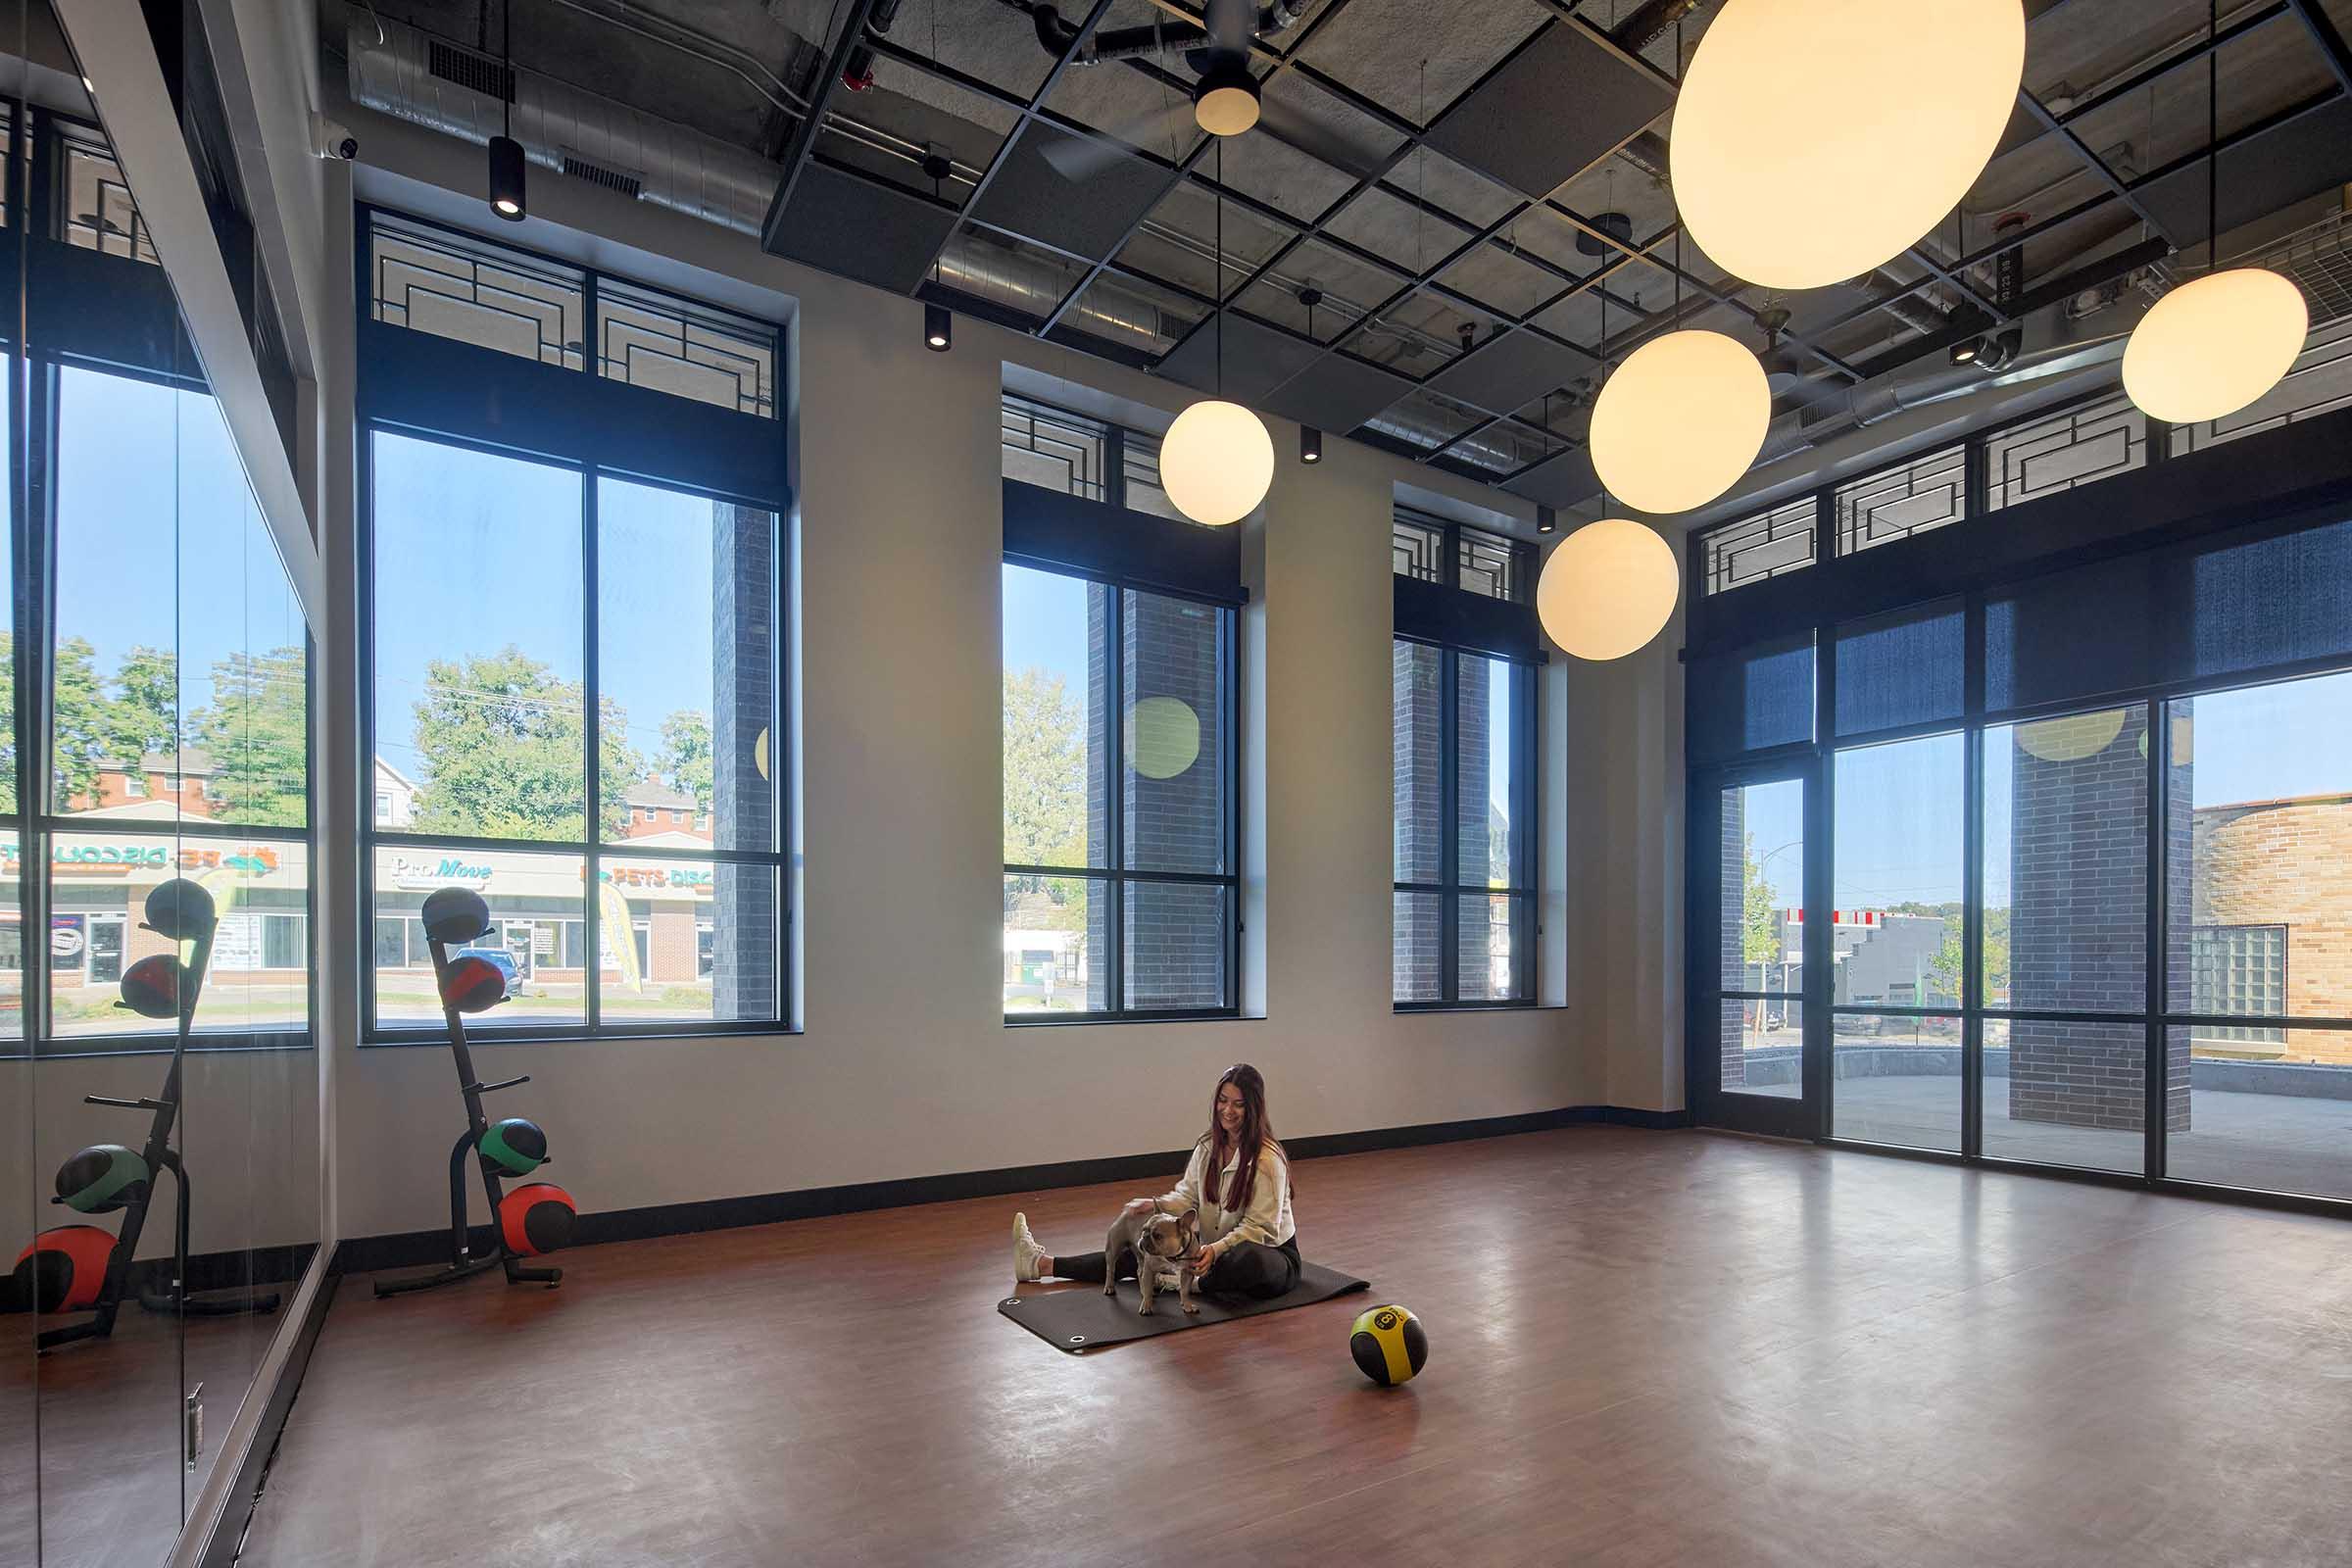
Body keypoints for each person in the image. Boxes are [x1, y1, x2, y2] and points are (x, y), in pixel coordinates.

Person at [1012, 1062, 1300, 1299]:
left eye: (1238, 1104)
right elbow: (1188, 1197)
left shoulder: (1267, 1161)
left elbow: (1259, 1229)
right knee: (1138, 1250)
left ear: (1254, 1108)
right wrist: (1155, 1204)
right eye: (1223, 1101)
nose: (1228, 1111)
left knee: (1248, 1259)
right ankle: (1041, 1265)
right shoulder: (1208, 1145)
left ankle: (1184, 1284)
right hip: (1212, 1250)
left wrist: (1214, 1250)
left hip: (1270, 1256)